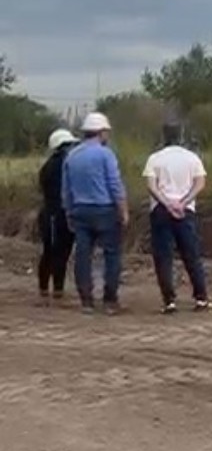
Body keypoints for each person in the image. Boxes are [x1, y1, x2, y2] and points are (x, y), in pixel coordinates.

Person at [142, 120, 212, 314]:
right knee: (191, 255)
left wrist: (167, 203)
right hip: (185, 210)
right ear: (181, 136)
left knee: (163, 257)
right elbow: (200, 183)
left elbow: (151, 186)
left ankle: (169, 301)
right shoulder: (192, 158)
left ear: (164, 136)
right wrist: (183, 202)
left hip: (161, 210)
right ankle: (201, 298)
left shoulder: (154, 158)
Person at [62, 112, 129, 315]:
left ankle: (86, 301)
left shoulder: (72, 156)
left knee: (83, 256)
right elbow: (114, 184)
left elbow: (66, 190)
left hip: (80, 211)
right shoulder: (105, 154)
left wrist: (69, 212)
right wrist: (123, 210)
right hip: (104, 210)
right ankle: (109, 301)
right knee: (112, 255)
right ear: (101, 132)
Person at [37, 128, 78, 303]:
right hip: (59, 212)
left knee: (49, 251)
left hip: (49, 212)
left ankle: (45, 287)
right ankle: (57, 289)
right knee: (61, 252)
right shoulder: (65, 165)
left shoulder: (47, 166)